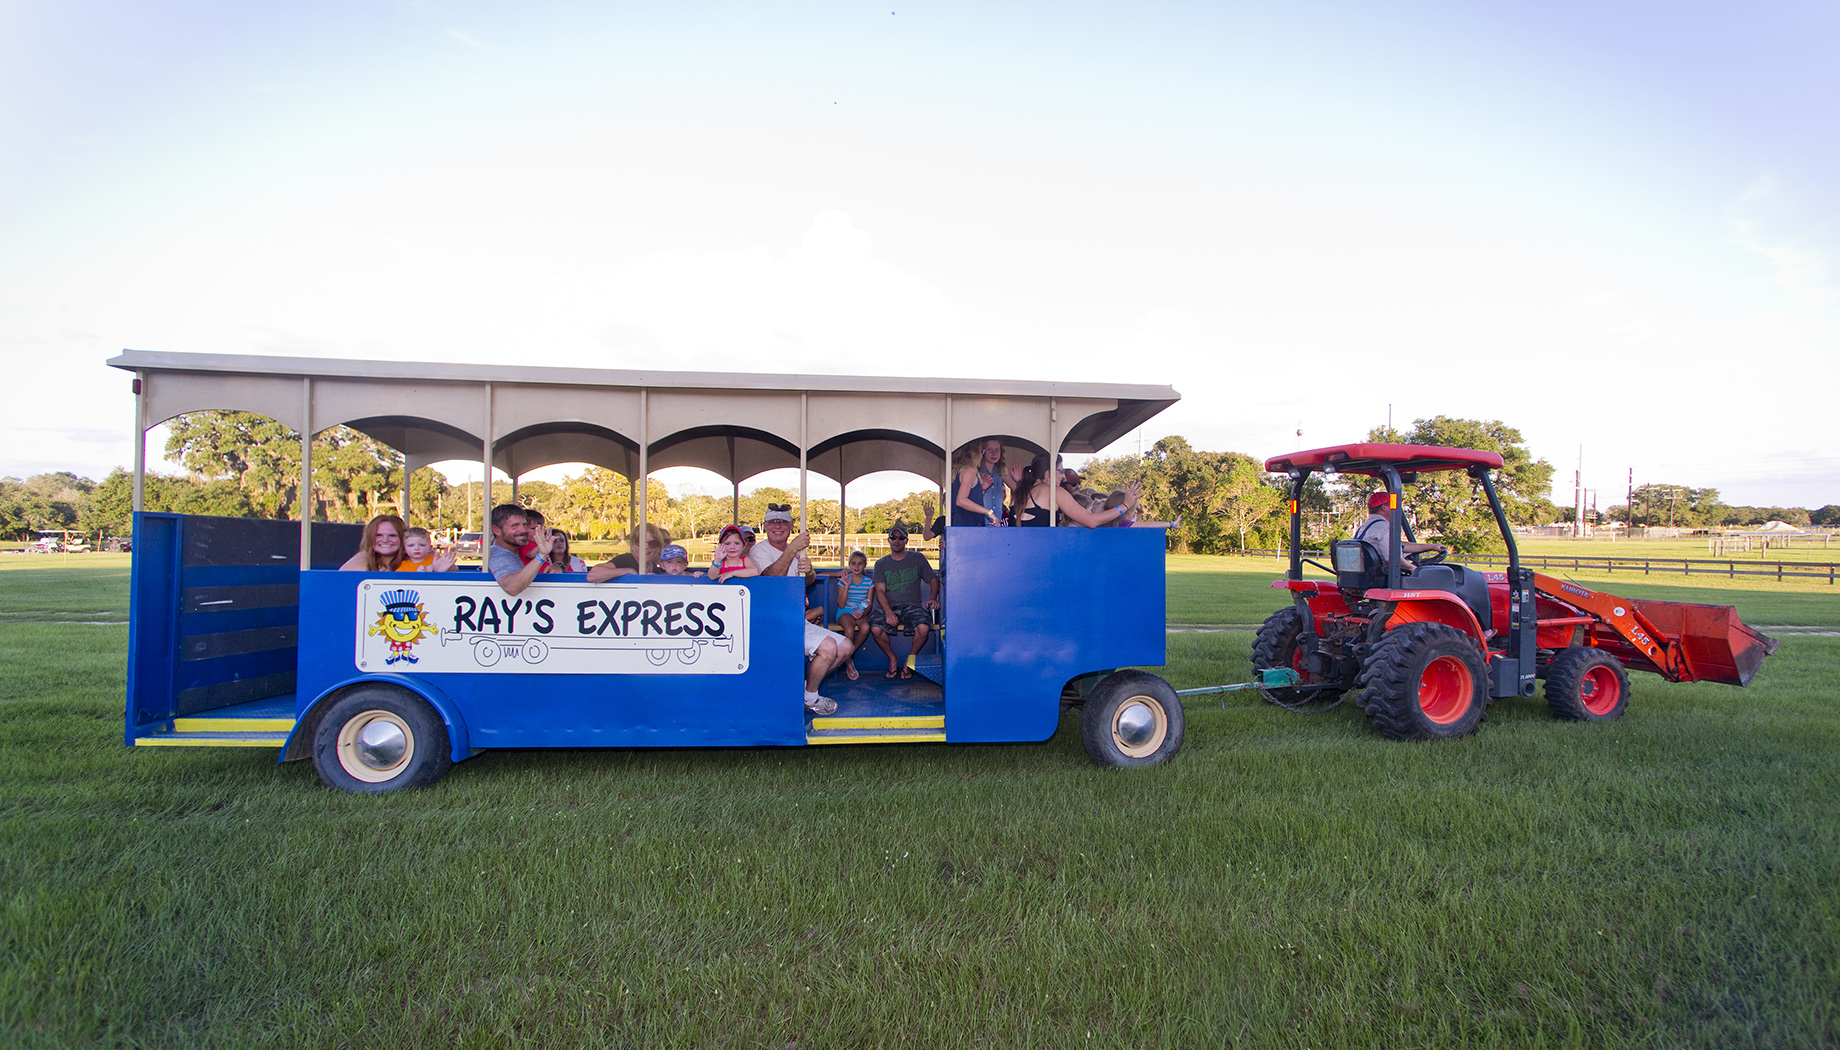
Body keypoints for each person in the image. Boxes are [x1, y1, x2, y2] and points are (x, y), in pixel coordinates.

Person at [747, 503, 846, 715]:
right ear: (764, 525)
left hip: (795, 618)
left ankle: (803, 693)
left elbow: (808, 581)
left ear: (791, 525)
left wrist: (809, 570)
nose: (778, 526)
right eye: (773, 522)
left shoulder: (798, 551)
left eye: (783, 522)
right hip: (772, 621)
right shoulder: (760, 550)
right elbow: (770, 579)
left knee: (845, 647)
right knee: (828, 647)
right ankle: (809, 697)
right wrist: (792, 549)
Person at [868, 523, 939, 679]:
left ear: (906, 540)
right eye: (893, 537)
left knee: (923, 628)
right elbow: (879, 591)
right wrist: (888, 612)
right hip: (889, 606)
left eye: (900, 537)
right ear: (888, 540)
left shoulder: (918, 558)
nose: (897, 540)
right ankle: (893, 658)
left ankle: (909, 660)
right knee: (875, 629)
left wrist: (932, 598)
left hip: (912, 606)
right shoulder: (881, 564)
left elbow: (934, 581)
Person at [1012, 453, 1142, 527]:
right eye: (1061, 471)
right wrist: (1124, 506)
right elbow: (1091, 521)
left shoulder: (1019, 493)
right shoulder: (1054, 492)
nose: (1063, 476)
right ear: (1048, 473)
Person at [1355, 491, 1445, 567]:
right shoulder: (1385, 527)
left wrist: (1432, 547)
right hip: (1381, 579)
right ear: (1384, 507)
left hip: (1367, 577)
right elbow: (1393, 559)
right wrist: (1411, 567)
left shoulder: (1365, 528)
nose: (1396, 510)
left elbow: (1396, 546)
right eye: (1393, 506)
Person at [485, 503, 554, 596]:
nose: (523, 530)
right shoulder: (498, 555)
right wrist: (541, 556)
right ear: (497, 530)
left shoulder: (518, 551)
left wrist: (558, 566)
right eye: (515, 526)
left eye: (524, 525)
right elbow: (512, 588)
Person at [951, 437, 1018, 527]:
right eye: (988, 450)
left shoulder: (1000, 472)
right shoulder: (971, 470)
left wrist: (981, 490)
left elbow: (1018, 489)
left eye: (997, 449)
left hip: (985, 522)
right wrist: (988, 512)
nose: (994, 453)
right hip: (977, 521)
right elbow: (961, 500)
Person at [834, 550, 873, 681]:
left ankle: (847, 654)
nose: (856, 567)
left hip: (860, 611)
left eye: (860, 564)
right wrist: (846, 586)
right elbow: (840, 604)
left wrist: (863, 612)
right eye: (853, 563)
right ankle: (849, 662)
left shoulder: (869, 582)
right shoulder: (844, 580)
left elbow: (869, 604)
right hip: (845, 611)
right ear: (849, 565)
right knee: (849, 630)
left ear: (864, 565)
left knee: (866, 628)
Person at [587, 523, 670, 581]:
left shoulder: (654, 569)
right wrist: (626, 571)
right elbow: (592, 575)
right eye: (640, 542)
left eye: (653, 543)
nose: (646, 546)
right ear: (632, 545)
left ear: (658, 548)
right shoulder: (625, 560)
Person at [340, 514, 407, 571]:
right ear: (369, 538)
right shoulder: (361, 559)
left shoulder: (414, 560)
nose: (385, 540)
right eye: (378, 535)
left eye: (392, 535)